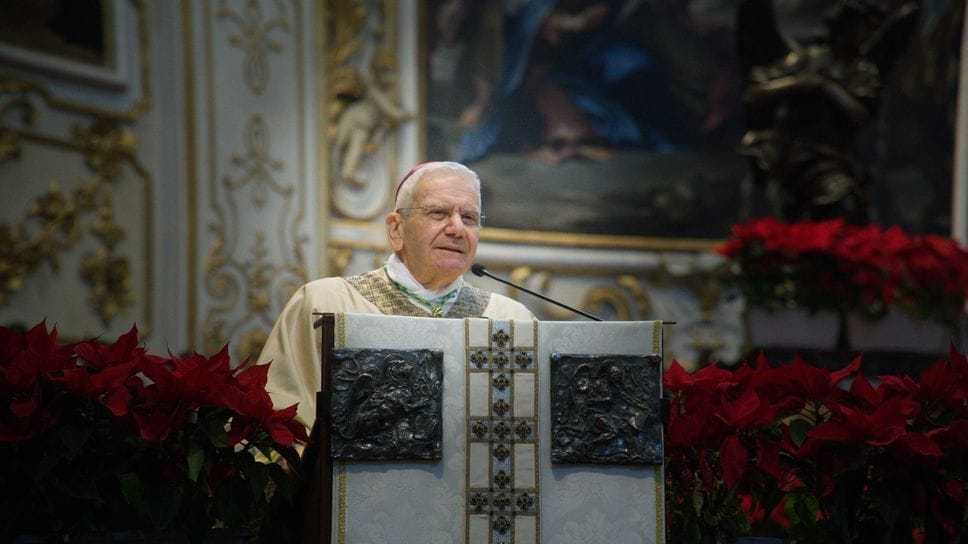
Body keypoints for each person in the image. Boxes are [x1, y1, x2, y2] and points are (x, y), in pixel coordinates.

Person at [259, 161, 535, 429]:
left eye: (469, 218)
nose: (457, 229)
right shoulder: (324, 304)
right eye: (438, 213)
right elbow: (279, 420)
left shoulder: (512, 320)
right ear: (396, 229)